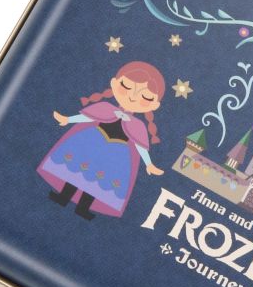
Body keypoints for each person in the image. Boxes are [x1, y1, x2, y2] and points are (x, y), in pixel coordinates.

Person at [37, 61, 165, 220]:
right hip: (91, 143)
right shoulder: (105, 108)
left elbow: (141, 147)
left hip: (116, 155)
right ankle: (63, 197)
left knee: (97, 182)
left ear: (154, 105)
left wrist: (149, 164)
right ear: (114, 83)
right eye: (126, 87)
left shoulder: (138, 126)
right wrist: (67, 119)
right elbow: (87, 117)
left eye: (145, 97)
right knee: (76, 172)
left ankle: (83, 208)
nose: (132, 97)